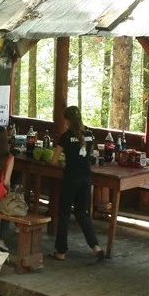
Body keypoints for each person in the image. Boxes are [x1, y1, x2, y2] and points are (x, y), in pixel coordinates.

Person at [49, 106, 105, 262]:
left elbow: (54, 161)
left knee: (64, 214)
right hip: (86, 179)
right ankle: (96, 246)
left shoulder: (65, 137)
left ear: (66, 120)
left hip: (70, 178)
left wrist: (63, 163)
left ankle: (61, 251)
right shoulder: (90, 135)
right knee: (82, 214)